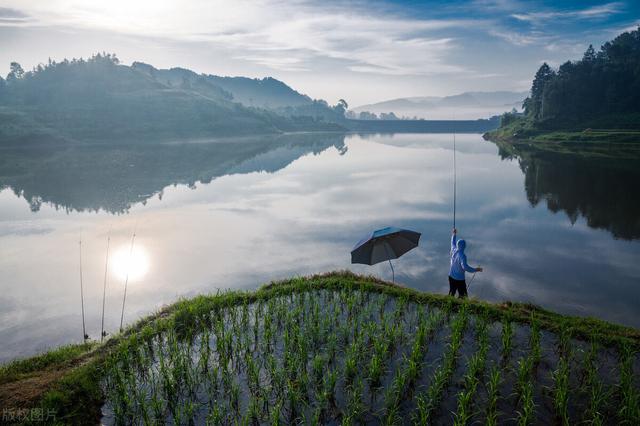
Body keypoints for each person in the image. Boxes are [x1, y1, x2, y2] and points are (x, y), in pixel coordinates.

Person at [449, 228, 483, 298]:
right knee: (463, 296)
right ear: (464, 246)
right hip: (459, 279)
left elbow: (452, 242)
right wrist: (476, 269)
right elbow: (465, 267)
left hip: (451, 277)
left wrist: (454, 234)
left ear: (458, 245)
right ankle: (458, 307)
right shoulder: (463, 256)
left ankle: (449, 305)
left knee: (451, 293)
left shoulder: (454, 250)